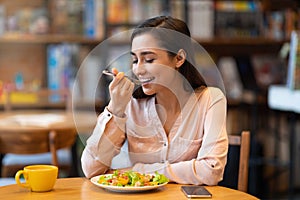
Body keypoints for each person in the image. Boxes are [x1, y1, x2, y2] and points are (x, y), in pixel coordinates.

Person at [81, 16, 228, 186]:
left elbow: (211, 170)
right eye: (135, 60)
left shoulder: (210, 100)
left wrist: (138, 171)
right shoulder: (130, 105)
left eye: (149, 59)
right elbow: (91, 169)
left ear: (179, 58)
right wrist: (115, 109)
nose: (138, 70)